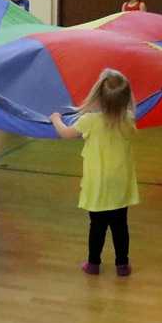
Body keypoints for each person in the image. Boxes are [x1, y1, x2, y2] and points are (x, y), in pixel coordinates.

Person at [50, 70, 139, 277]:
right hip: (120, 183)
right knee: (120, 226)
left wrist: (56, 119)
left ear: (98, 96)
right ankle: (122, 264)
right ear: (126, 98)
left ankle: (93, 263)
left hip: (98, 184)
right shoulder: (127, 119)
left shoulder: (89, 120)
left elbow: (64, 133)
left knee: (97, 225)